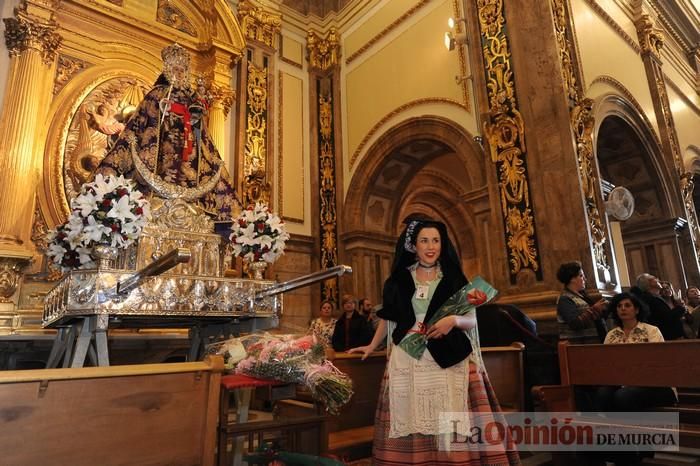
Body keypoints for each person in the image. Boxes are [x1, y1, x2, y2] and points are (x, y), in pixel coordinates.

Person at [349, 219, 519, 465]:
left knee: (452, 424)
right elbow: (389, 319)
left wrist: (452, 321)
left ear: (443, 244)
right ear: (413, 246)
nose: (431, 246)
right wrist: (372, 345)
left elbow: (471, 320)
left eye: (436, 240)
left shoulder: (455, 279)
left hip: (449, 357)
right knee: (411, 421)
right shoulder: (398, 280)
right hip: (408, 357)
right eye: (424, 241)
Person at [95, 43, 241, 228]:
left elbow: (201, 135)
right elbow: (144, 125)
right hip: (161, 160)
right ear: (167, 69)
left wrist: (196, 119)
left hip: (188, 159)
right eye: (175, 68)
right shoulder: (157, 95)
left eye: (183, 69)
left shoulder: (192, 98)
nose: (179, 73)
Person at [596, 292, 677, 465]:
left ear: (637, 309)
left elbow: (659, 362)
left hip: (655, 385)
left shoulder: (651, 330)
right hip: (622, 383)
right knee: (603, 394)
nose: (623, 309)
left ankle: (633, 451)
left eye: (627, 305)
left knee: (624, 397)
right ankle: (625, 451)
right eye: (619, 306)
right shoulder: (612, 335)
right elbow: (606, 363)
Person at [556, 261, 609, 343]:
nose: (585, 278)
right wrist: (595, 309)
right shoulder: (565, 299)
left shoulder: (583, 295)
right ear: (572, 279)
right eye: (581, 276)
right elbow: (575, 323)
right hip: (579, 346)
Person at [630, 274, 686, 340]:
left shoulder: (655, 297)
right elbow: (666, 318)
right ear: (648, 283)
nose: (658, 279)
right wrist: (680, 307)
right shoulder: (649, 299)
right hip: (666, 338)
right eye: (654, 278)